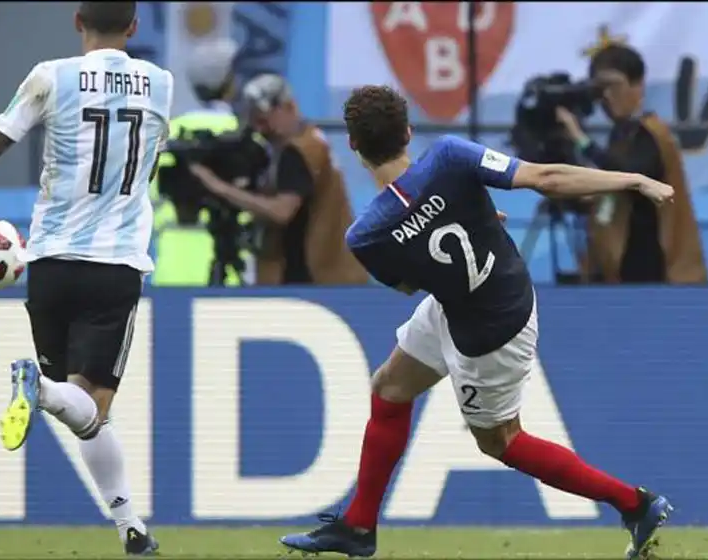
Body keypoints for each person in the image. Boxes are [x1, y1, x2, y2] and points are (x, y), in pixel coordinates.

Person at [280, 85, 674, 560]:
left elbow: (412, 282)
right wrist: (632, 180)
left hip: (490, 330)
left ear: (353, 146)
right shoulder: (449, 155)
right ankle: (358, 528)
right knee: (388, 388)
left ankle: (634, 504)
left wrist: (463, 224)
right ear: (407, 132)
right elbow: (545, 177)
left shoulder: (364, 235)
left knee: (502, 441)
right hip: (481, 298)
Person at [0, 2, 171, 555]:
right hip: (115, 263)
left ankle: (130, 529)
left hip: (48, 263)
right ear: (135, 27)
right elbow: (148, 166)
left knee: (85, 412)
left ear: (77, 21)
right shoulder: (160, 84)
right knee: (93, 407)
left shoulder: (51, 76)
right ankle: (38, 390)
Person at [189, 74, 367, 285]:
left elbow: (281, 211)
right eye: (254, 121)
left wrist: (220, 187)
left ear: (288, 107)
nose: (260, 129)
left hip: (314, 277)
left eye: (264, 120)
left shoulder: (299, 151)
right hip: (332, 272)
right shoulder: (312, 139)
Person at [556, 43, 707, 284]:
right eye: (599, 88)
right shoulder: (621, 135)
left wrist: (582, 140)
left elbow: (632, 174)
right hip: (625, 265)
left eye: (612, 85)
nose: (605, 96)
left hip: (659, 269)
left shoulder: (652, 133)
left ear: (638, 86)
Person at [150, 38, 252, 286]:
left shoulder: (169, 133)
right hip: (230, 274)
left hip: (170, 271)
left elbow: (149, 196)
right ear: (229, 83)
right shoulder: (244, 137)